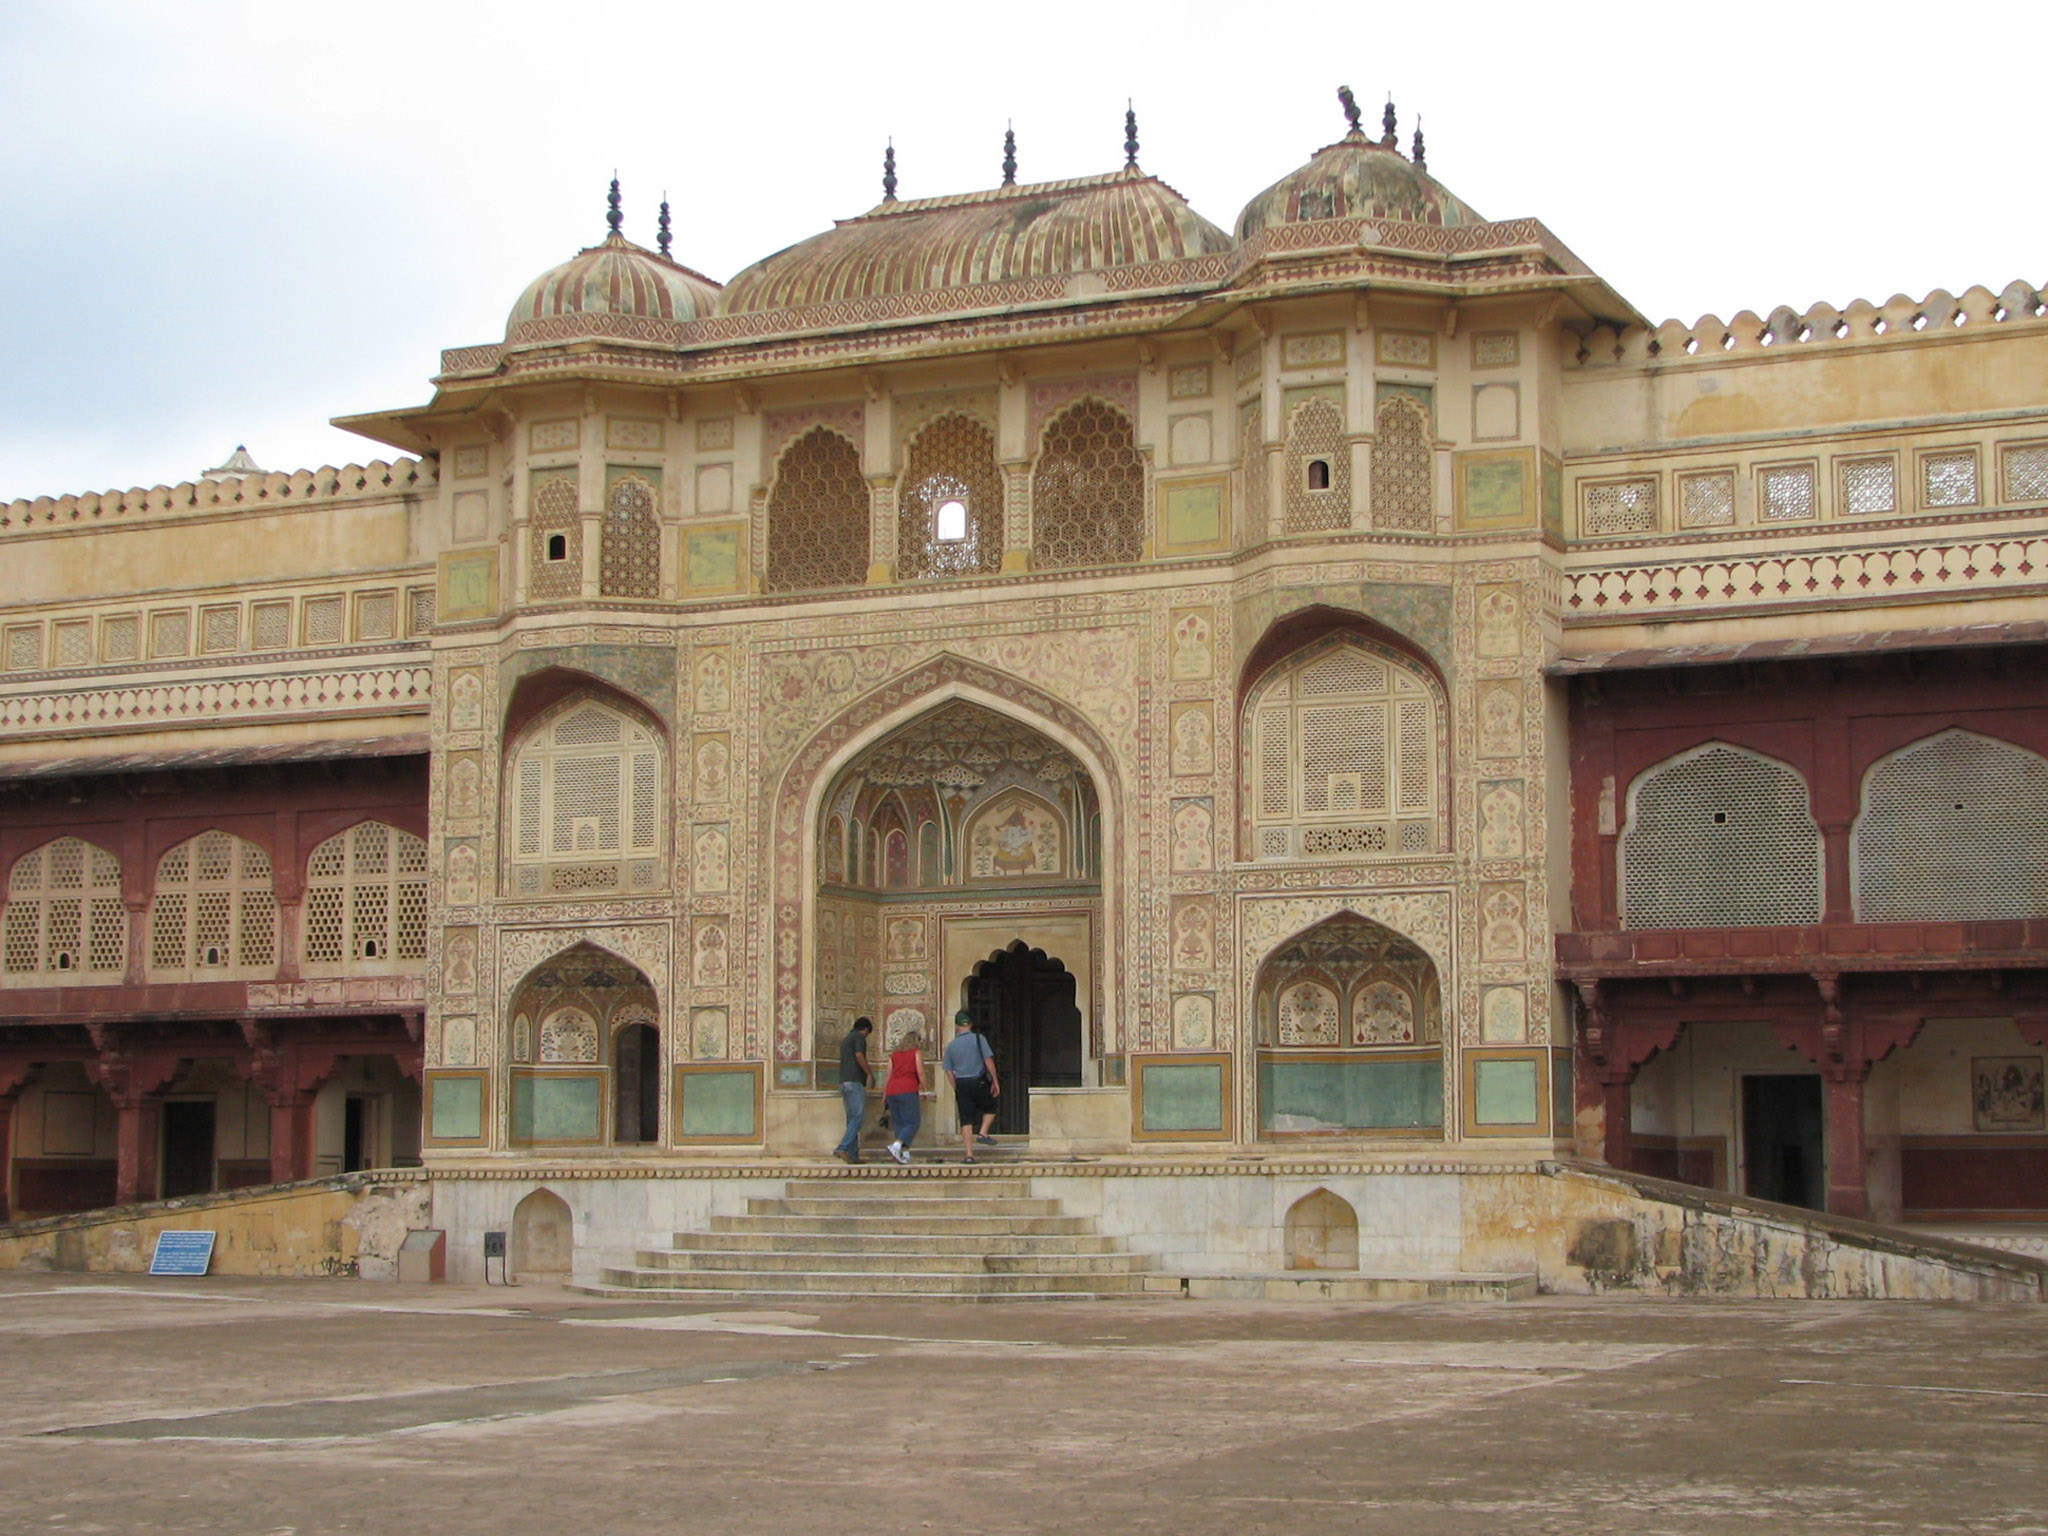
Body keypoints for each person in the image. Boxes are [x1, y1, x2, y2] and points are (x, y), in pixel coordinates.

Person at [942, 1010, 1000, 1162]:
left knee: (966, 1119)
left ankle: (969, 1154)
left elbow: (948, 1071)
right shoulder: (979, 1039)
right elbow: (988, 1061)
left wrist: (956, 1087)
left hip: (961, 1083)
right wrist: (995, 1080)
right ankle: (982, 1132)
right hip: (978, 1081)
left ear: (956, 1026)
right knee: (991, 1106)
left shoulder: (951, 1046)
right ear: (971, 1024)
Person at [883, 1030, 927, 1166]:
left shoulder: (893, 1055)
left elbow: (888, 1075)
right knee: (913, 1122)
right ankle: (896, 1146)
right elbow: (920, 1072)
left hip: (892, 1090)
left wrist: (885, 1094)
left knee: (900, 1124)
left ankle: (905, 1153)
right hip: (908, 1089)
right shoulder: (916, 1053)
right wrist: (925, 1090)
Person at [833, 1017, 873, 1164]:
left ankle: (852, 1154)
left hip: (844, 1081)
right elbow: (859, 1055)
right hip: (854, 1081)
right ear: (866, 1030)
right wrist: (869, 1073)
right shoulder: (858, 1037)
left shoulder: (847, 1039)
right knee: (858, 1117)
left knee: (852, 1119)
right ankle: (843, 1147)